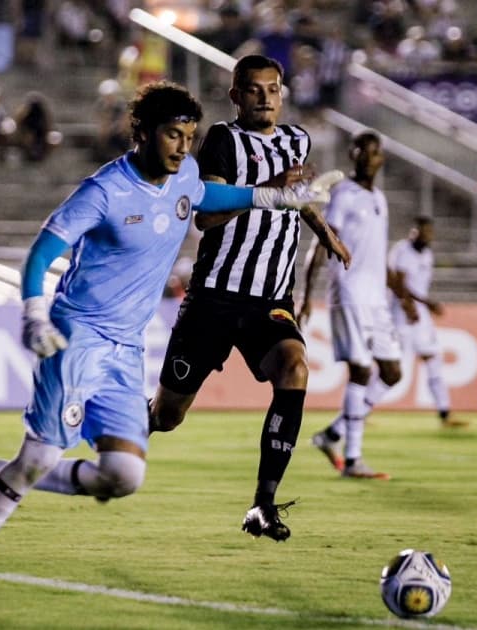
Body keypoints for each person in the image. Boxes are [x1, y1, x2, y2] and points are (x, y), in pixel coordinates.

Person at [0, 81, 340, 605]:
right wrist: (32, 312)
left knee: (123, 474)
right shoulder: (105, 190)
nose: (183, 147)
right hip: (76, 338)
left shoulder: (184, 173)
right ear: (141, 133)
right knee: (38, 457)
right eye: (171, 135)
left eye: (189, 136)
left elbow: (209, 195)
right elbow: (42, 250)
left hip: (125, 351)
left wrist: (270, 195)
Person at [147, 55, 351, 543]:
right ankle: (100, 432)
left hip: (269, 301)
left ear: (282, 93)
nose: (265, 97)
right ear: (236, 95)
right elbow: (206, 218)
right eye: (254, 89)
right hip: (214, 297)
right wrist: (267, 190)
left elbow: (296, 199)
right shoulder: (221, 141)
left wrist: (323, 231)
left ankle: (263, 503)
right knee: (168, 416)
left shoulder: (298, 140)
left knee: (295, 367)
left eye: (273, 89)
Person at [299, 131, 401, 480]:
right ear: (353, 154)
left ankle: (331, 435)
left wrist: (398, 293)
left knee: (391, 373)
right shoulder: (344, 194)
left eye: (375, 152)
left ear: (381, 158)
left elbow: (378, 255)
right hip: (349, 291)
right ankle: (353, 459)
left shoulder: (379, 199)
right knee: (360, 370)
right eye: (362, 150)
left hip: (376, 298)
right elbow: (321, 241)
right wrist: (306, 294)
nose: (368, 156)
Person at [387, 216, 468, 428]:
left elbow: (418, 287)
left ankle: (445, 413)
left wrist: (424, 305)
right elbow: (399, 285)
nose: (427, 236)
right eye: (423, 231)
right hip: (402, 314)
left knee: (433, 359)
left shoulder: (427, 255)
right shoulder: (403, 251)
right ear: (414, 232)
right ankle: (359, 409)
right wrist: (426, 303)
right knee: (393, 368)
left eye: (429, 232)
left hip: (419, 316)